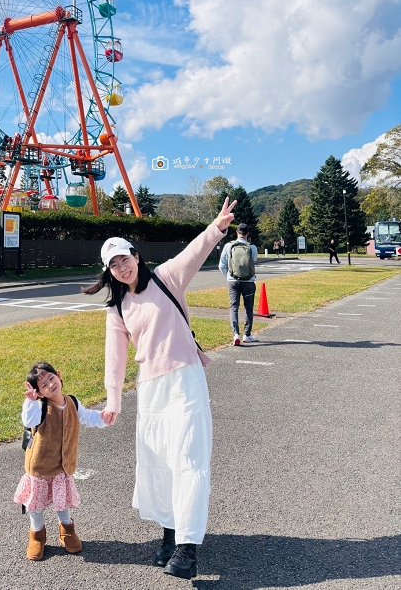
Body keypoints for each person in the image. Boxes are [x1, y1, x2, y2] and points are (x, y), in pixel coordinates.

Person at [84, 197, 236, 580]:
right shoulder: (117, 309)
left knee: (188, 460)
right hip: (151, 389)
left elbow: (194, 252)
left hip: (184, 380)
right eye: (113, 265)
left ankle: (187, 549)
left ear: (136, 255)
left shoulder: (167, 277)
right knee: (160, 463)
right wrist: (114, 400)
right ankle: (169, 534)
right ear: (109, 271)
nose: (122, 268)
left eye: (125, 258)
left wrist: (217, 227)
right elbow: (115, 359)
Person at [14, 361, 110, 561]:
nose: (50, 384)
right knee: (36, 506)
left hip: (62, 467)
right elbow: (28, 421)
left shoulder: (72, 402)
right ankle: (37, 535)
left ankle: (67, 531)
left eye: (51, 378)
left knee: (62, 503)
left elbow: (86, 417)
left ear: (58, 375)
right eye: (44, 386)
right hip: (40, 468)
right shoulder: (39, 408)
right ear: (40, 393)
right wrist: (30, 401)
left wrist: (103, 417)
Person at [219, 223, 259, 346]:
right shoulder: (252, 248)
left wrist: (229, 276)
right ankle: (247, 335)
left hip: (233, 281)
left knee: (233, 307)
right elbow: (254, 262)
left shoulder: (228, 246)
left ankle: (235, 334)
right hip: (248, 282)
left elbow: (222, 265)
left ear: (237, 232)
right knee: (248, 307)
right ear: (248, 234)